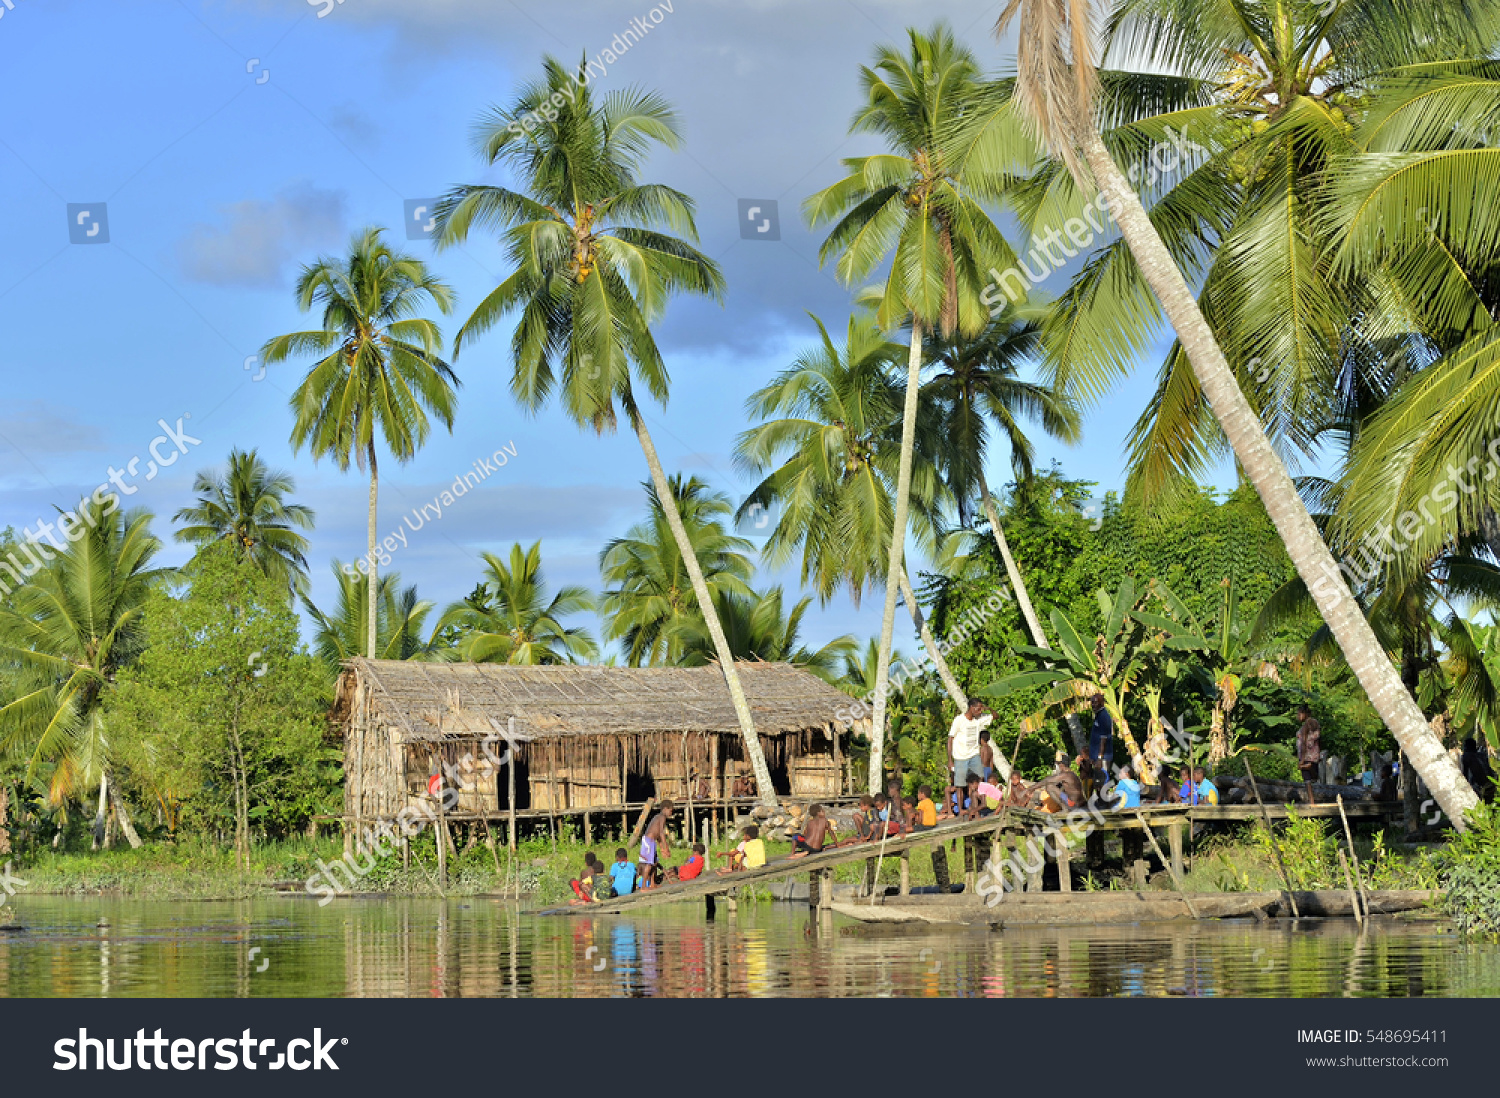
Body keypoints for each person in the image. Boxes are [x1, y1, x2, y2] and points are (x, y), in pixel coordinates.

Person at [949, 698, 994, 794]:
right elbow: (950, 739)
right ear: (971, 708)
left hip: (974, 755)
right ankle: (961, 809)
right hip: (961, 757)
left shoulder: (979, 719)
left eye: (981, 709)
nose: (980, 711)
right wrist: (950, 760)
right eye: (978, 709)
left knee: (980, 778)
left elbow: (996, 716)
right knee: (960, 785)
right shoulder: (959, 720)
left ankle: (979, 800)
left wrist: (989, 709)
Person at [638, 799, 674, 889]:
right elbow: (661, 833)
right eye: (671, 811)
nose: (671, 813)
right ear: (665, 809)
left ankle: (652, 884)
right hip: (648, 841)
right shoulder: (662, 817)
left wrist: (662, 848)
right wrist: (666, 848)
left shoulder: (659, 817)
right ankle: (643, 887)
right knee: (649, 864)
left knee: (654, 863)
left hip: (652, 841)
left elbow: (658, 834)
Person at [1295, 704, 1322, 805]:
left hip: (1306, 755)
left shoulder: (1306, 726)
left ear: (1305, 714)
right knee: (1315, 777)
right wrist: (1319, 753)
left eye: (1299, 714)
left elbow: (1304, 743)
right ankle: (1309, 767)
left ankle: (1312, 802)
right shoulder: (1315, 723)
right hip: (1314, 755)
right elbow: (1320, 739)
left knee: (1307, 781)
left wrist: (1302, 760)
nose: (1298, 716)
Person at [1461, 736, 1496, 803]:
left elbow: (1465, 774)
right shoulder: (1482, 755)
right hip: (1490, 785)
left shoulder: (1467, 756)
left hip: (1477, 786)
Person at [1088, 694, 1115, 781]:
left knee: (1102, 782)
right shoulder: (1098, 715)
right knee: (1097, 782)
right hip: (1097, 757)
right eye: (1092, 702)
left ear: (1102, 703)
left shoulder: (1104, 717)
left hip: (1103, 757)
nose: (1093, 705)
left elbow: (1103, 739)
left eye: (1096, 702)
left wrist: (1100, 758)